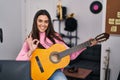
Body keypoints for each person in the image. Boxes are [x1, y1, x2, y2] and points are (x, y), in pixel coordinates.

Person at [16, 9, 97, 80]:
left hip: (54, 71)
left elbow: (70, 55)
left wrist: (86, 44)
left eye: (46, 21)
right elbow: (18, 61)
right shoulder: (30, 39)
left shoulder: (55, 36)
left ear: (49, 23)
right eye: (40, 21)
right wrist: (31, 51)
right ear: (35, 21)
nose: (43, 24)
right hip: (35, 72)